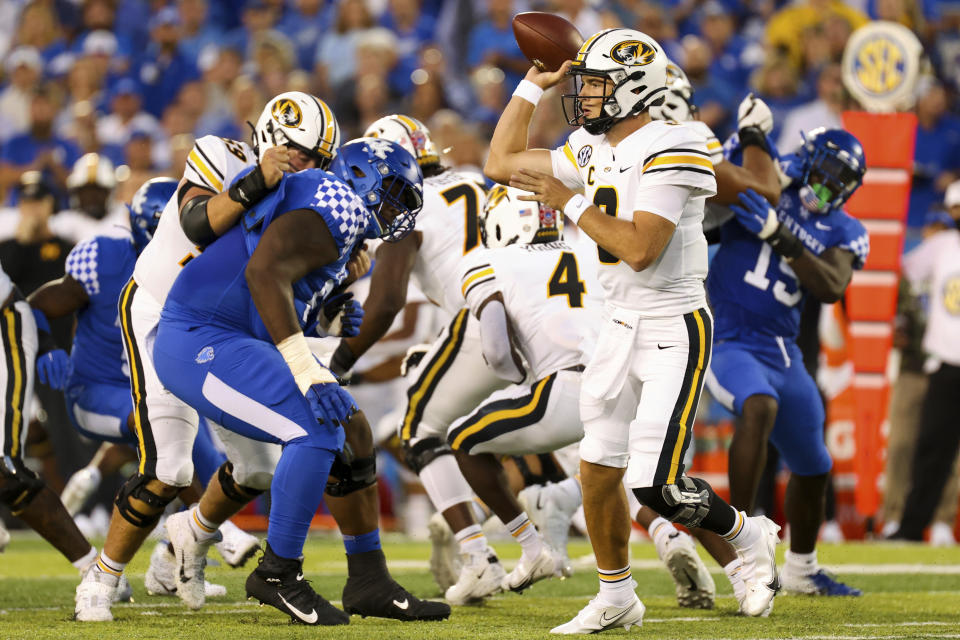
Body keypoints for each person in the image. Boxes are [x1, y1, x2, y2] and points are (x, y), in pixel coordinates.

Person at [484, 28, 781, 633]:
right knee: (597, 468)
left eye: (595, 85)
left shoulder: (679, 142)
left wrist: (569, 201)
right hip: (615, 323)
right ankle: (616, 594)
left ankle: (749, 539)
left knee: (656, 485)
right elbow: (501, 163)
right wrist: (529, 88)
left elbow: (643, 248)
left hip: (673, 323)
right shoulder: (589, 148)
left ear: (634, 87)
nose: (584, 96)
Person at [152, 137, 448, 625]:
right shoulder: (337, 206)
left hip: (231, 335)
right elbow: (264, 274)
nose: (396, 209)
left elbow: (275, 285)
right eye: (393, 192)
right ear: (359, 177)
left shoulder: (334, 217)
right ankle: (278, 571)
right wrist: (308, 370)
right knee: (317, 426)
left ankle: (368, 579)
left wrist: (326, 312)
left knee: (354, 432)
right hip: (199, 338)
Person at [73, 91, 335, 621]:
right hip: (158, 312)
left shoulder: (296, 197)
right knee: (169, 466)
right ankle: (101, 578)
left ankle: (183, 542)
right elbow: (197, 222)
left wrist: (328, 310)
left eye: (320, 163)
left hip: (218, 329)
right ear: (274, 141)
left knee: (258, 468)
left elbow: (269, 284)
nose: (311, 171)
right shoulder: (224, 155)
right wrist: (258, 179)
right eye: (304, 156)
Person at [27, 177, 256, 596]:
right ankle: (211, 525)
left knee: (188, 428)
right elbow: (39, 303)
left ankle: (171, 560)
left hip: (155, 384)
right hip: (97, 391)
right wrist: (45, 345)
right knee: (154, 424)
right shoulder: (105, 257)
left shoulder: (199, 263)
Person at [323, 114, 516, 596]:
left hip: (480, 320)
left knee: (416, 432)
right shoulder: (473, 179)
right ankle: (545, 542)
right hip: (531, 314)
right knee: (518, 443)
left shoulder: (406, 205)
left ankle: (478, 553)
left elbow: (386, 302)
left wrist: (341, 362)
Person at [704, 127, 868, 596]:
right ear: (809, 158)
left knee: (814, 463)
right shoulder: (769, 183)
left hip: (781, 348)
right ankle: (738, 540)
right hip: (729, 338)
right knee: (758, 406)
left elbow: (832, 286)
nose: (831, 188)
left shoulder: (844, 230)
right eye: (830, 173)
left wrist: (781, 236)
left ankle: (802, 569)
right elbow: (716, 185)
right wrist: (748, 137)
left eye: (844, 180)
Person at [443, 184, 599, 604]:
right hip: (618, 388)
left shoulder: (488, 259)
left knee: (462, 439)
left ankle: (534, 549)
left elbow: (496, 352)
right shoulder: (588, 247)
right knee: (648, 487)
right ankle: (745, 556)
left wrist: (521, 379)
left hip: (563, 392)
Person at [890, 180, 960, 542]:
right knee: (931, 449)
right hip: (945, 361)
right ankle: (913, 526)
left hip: (945, 360)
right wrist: (906, 318)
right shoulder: (942, 246)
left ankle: (936, 523)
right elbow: (903, 273)